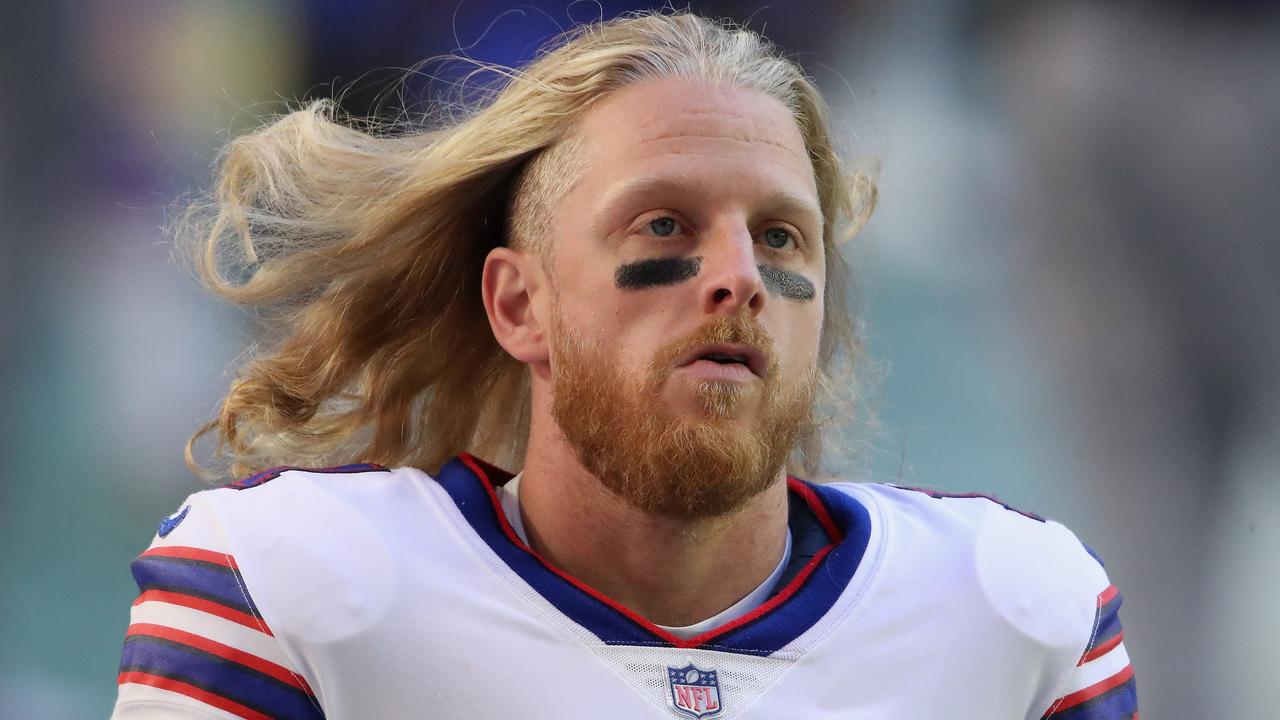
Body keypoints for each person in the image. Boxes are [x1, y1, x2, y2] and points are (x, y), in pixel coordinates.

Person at [112, 12, 1136, 719]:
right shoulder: (288, 589)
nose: (735, 277)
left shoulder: (1012, 612)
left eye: (781, 238)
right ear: (519, 303)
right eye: (663, 222)